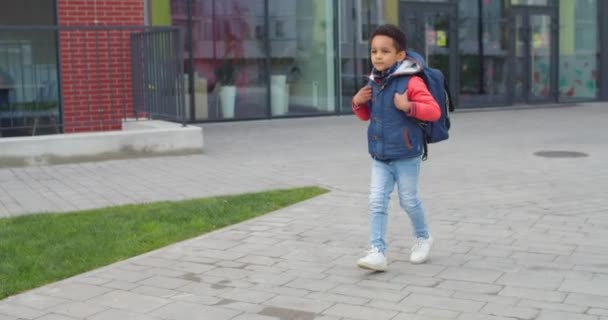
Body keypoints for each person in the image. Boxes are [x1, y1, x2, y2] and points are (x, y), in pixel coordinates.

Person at [351, 24, 441, 271]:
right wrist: (358, 103)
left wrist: (408, 106)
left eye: (384, 51)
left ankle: (423, 237)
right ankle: (377, 252)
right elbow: (369, 116)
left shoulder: (411, 82)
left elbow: (434, 111)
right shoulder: (376, 81)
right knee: (376, 202)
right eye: (374, 51)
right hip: (380, 155)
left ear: (400, 55)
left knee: (409, 201)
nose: (378, 56)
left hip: (406, 155)